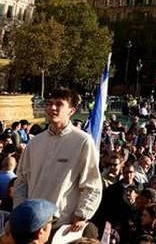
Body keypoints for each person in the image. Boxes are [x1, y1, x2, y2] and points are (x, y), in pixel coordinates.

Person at [13, 88, 102, 233]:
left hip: (61, 226)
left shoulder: (83, 141)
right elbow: (21, 182)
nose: (52, 108)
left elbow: (92, 184)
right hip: (31, 225)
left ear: (71, 111)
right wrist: (20, 211)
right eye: (49, 103)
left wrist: (81, 214)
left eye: (59, 104)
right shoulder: (35, 143)